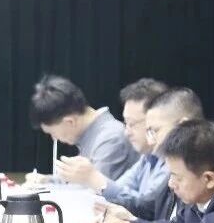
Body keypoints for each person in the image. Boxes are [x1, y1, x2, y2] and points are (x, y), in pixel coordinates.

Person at [96, 87, 205, 223]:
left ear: (184, 126)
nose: (151, 140)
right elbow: (164, 218)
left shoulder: (207, 165)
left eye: (155, 131)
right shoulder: (171, 162)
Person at [56, 78, 170, 214]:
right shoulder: (147, 158)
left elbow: (148, 208)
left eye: (132, 124)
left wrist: (94, 178)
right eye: (126, 123)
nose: (127, 132)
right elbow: (121, 191)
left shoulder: (171, 161)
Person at [27, 74, 138, 182]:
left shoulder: (110, 139)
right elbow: (80, 182)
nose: (54, 138)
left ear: (70, 122)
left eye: (52, 133)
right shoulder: (96, 135)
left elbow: (96, 189)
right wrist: (46, 180)